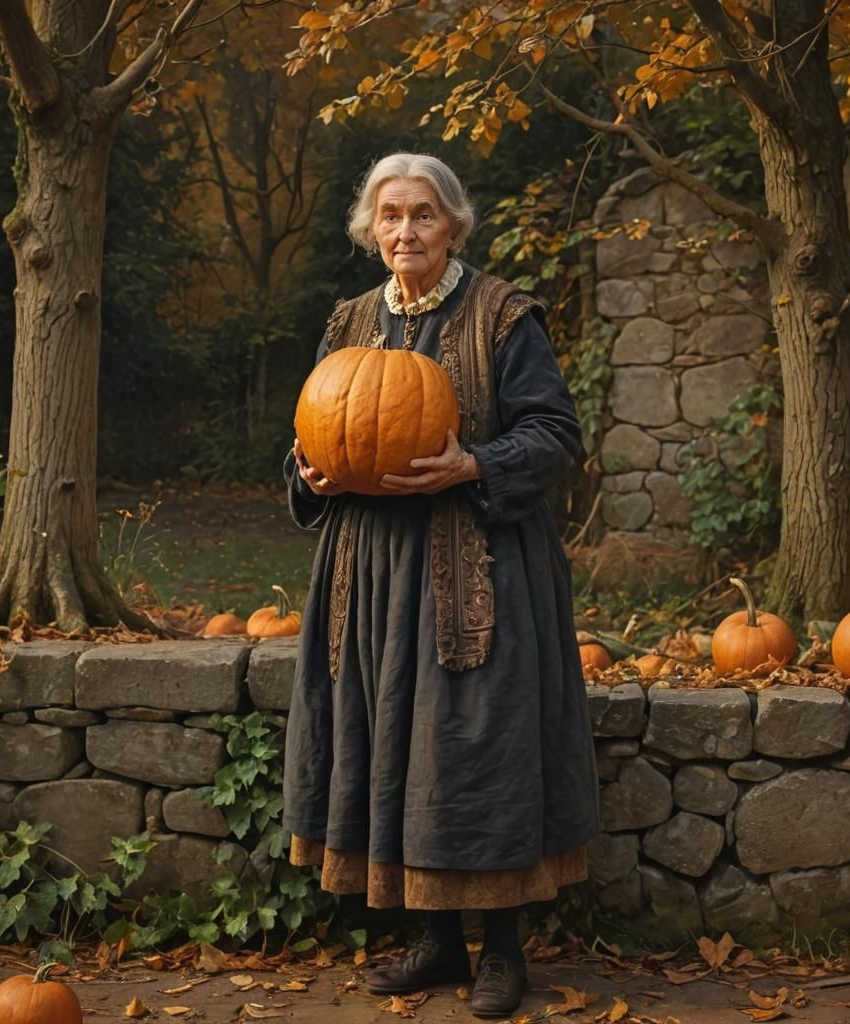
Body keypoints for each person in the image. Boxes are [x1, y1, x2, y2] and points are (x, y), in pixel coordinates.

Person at [283, 152, 601, 1019]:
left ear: (453, 225)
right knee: (397, 748)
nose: (405, 232)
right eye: (390, 216)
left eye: (423, 215)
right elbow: (315, 434)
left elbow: (555, 433)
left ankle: (503, 952)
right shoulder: (348, 322)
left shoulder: (503, 316)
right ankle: (435, 942)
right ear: (370, 229)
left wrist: (474, 462)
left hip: (478, 578)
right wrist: (307, 477)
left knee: (476, 748)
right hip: (374, 578)